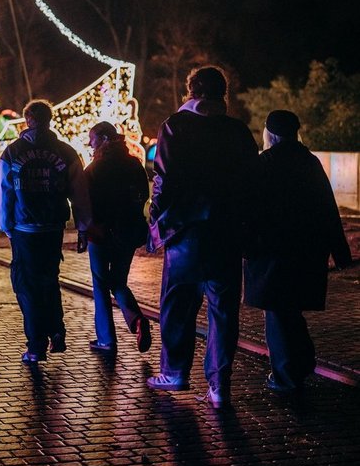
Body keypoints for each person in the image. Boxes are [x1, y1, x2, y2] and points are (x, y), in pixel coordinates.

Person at [146, 66, 259, 409]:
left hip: (186, 233)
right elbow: (252, 183)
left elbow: (164, 179)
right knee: (223, 312)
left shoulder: (175, 127)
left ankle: (175, 371)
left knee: (178, 306)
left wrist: (156, 219)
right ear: (223, 93)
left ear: (191, 91)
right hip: (227, 234)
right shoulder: (237, 131)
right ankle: (219, 386)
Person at [244, 110, 353, 392]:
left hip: (272, 252)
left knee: (278, 314)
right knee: (290, 311)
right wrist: (340, 253)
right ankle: (301, 364)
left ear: (270, 134)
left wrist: (243, 245)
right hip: (307, 251)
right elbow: (328, 209)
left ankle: (286, 376)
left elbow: (249, 211)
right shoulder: (310, 162)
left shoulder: (263, 164)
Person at [0, 100, 91, 363]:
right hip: (53, 226)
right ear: (50, 119)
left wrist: (6, 226)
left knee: (27, 285)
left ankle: (36, 344)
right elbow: (79, 193)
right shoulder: (66, 152)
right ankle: (56, 330)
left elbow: (2, 193)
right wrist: (83, 226)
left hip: (24, 228)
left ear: (27, 121)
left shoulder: (12, 152)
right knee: (49, 278)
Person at [81, 121, 152, 353]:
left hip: (100, 234)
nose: (90, 144)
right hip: (128, 232)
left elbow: (84, 202)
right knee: (118, 281)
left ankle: (106, 339)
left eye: (92, 139)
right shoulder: (134, 165)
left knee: (101, 285)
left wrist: (86, 229)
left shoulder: (94, 169)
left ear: (102, 139)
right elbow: (143, 195)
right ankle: (136, 319)